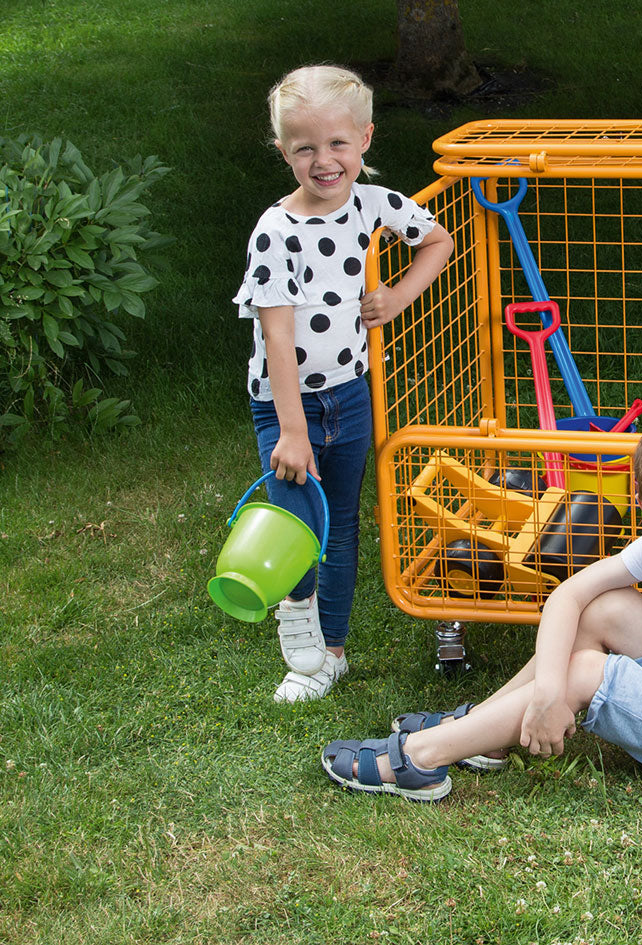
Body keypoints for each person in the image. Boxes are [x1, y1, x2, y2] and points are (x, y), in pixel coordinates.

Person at [322, 414, 642, 842]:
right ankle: (482, 731)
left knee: (588, 670)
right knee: (604, 608)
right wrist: (548, 691)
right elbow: (568, 595)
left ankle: (421, 759)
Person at [233, 64, 454, 702]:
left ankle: (331, 652)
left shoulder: (374, 204)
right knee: (297, 518)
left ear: (365, 139)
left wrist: (398, 297)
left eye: (337, 143)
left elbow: (437, 242)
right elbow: (278, 338)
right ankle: (297, 622)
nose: (324, 161)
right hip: (287, 404)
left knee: (341, 524)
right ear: (284, 152)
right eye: (305, 147)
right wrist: (292, 431)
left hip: (350, 395)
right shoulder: (275, 233)